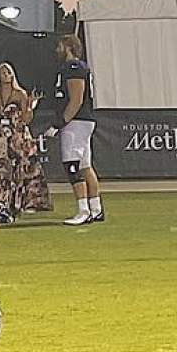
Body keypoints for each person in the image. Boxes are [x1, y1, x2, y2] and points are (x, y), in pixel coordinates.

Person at [0, 62, 44, 222]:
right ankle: (0, 204)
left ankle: (17, 205)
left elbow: (26, 119)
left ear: (13, 75)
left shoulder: (20, 94)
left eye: (8, 72)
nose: (5, 75)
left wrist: (30, 107)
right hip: (1, 138)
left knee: (19, 171)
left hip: (18, 137)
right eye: (2, 72)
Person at [53, 36, 102, 226]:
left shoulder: (73, 67)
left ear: (69, 47)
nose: (57, 49)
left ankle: (83, 210)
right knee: (84, 166)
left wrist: (60, 122)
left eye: (60, 45)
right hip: (82, 120)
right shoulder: (75, 67)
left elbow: (76, 98)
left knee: (72, 165)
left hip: (76, 121)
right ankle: (95, 208)